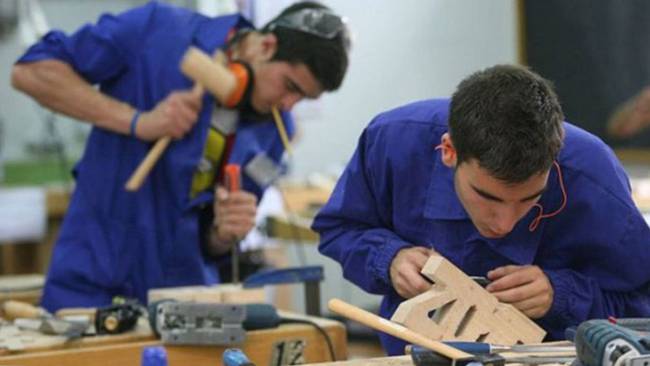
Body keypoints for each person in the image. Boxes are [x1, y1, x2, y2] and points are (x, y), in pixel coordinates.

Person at [11, 1, 349, 311]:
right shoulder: (157, 31)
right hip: (93, 277)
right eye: (290, 86)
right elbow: (31, 72)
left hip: (185, 299)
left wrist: (223, 231)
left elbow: (212, 241)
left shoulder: (276, 129)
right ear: (265, 46)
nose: (289, 106)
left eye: (303, 98)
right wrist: (137, 121)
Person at [312, 65, 650, 355]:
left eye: (529, 199)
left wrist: (563, 295)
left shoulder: (593, 178)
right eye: (488, 197)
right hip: (415, 352)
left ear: (554, 160)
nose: (504, 223)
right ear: (448, 151)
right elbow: (340, 228)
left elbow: (641, 303)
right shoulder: (394, 143)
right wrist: (388, 259)